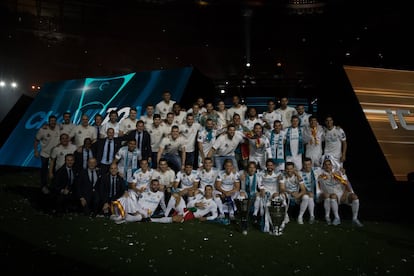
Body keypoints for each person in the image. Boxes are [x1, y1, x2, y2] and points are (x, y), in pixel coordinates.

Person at [318, 158, 363, 227]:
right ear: (323, 166)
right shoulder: (321, 176)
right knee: (333, 196)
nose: (327, 166)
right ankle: (337, 218)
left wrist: (344, 194)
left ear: (332, 166)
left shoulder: (338, 173)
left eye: (329, 164)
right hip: (333, 195)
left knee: (355, 197)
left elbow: (347, 184)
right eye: (325, 165)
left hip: (343, 193)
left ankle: (355, 219)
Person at [34, 115, 60, 194]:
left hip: (55, 154)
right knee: (44, 171)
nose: (53, 122)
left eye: (54, 120)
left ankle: (53, 186)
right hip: (45, 153)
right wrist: (35, 151)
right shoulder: (42, 130)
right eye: (51, 120)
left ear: (56, 121)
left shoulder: (58, 127)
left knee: (55, 171)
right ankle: (43, 186)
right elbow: (36, 140)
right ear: (48, 121)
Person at [300, 157, 323, 224]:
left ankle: (311, 216)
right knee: (309, 196)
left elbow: (328, 169)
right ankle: (312, 216)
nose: (307, 166)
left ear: (311, 164)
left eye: (309, 164)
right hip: (306, 192)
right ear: (303, 165)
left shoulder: (317, 170)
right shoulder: (300, 173)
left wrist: (340, 170)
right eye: (305, 164)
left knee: (311, 195)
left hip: (318, 192)